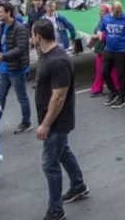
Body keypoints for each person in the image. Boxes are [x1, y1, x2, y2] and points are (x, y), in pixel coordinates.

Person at [32, 20, 89, 220]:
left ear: (38, 36)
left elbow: (59, 96)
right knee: (63, 152)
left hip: (57, 122)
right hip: (53, 121)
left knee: (50, 164)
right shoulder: (47, 56)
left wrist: (46, 124)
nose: (32, 38)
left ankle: (56, 211)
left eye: (33, 34)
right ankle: (78, 185)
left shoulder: (58, 61)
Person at [0, 3, 32, 134]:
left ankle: (26, 122)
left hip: (17, 69)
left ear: (8, 12)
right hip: (3, 69)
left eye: (0, 12)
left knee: (21, 97)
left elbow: (21, 48)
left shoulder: (20, 28)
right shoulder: (2, 26)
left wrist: (3, 57)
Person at [96, 1, 125, 109]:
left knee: (121, 75)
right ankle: (114, 92)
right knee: (104, 72)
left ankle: (122, 98)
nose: (119, 14)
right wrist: (99, 32)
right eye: (116, 12)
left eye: (120, 12)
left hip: (122, 50)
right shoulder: (106, 18)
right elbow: (100, 28)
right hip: (108, 50)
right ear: (111, 10)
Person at [89, 4, 121, 97]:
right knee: (99, 71)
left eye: (103, 11)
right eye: (100, 11)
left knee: (113, 71)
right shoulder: (101, 21)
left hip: (109, 50)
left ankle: (117, 88)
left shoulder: (110, 21)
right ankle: (97, 89)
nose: (100, 13)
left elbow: (111, 36)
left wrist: (97, 36)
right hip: (100, 50)